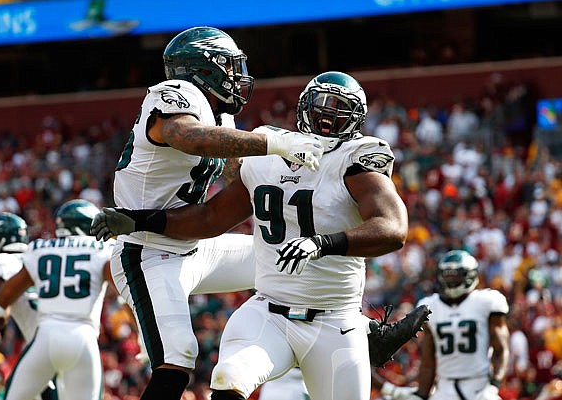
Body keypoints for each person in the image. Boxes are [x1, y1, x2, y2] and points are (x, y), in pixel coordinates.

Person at [92, 71, 430, 400]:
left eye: (337, 110)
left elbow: (393, 229)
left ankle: (367, 333)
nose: (326, 117)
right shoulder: (270, 154)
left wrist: (322, 243)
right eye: (320, 106)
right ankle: (369, 333)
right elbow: (210, 217)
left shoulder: (356, 160)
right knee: (228, 379)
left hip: (335, 322)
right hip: (270, 313)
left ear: (355, 120)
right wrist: (139, 221)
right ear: (302, 108)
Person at [102, 24, 325, 400]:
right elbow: (185, 136)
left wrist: (284, 173)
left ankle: (365, 336)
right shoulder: (176, 94)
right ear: (203, 67)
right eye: (229, 65)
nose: (238, 75)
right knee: (177, 359)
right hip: (147, 251)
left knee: (298, 258)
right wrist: (272, 142)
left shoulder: (219, 116)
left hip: (191, 244)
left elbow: (238, 177)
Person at [0, 199, 113, 400]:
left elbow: (0, 308)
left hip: (44, 338)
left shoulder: (34, 253)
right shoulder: (101, 250)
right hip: (84, 338)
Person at [385, 250, 510, 400]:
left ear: (470, 275)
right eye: (447, 276)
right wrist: (422, 395)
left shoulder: (487, 302)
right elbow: (428, 361)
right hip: (445, 388)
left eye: (456, 276)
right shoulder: (430, 306)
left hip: (479, 384)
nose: (451, 280)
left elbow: (501, 350)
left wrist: (493, 386)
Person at [0, 212, 58, 400]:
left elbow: (0, 310)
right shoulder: (41, 256)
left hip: (45, 348)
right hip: (77, 338)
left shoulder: (0, 263)